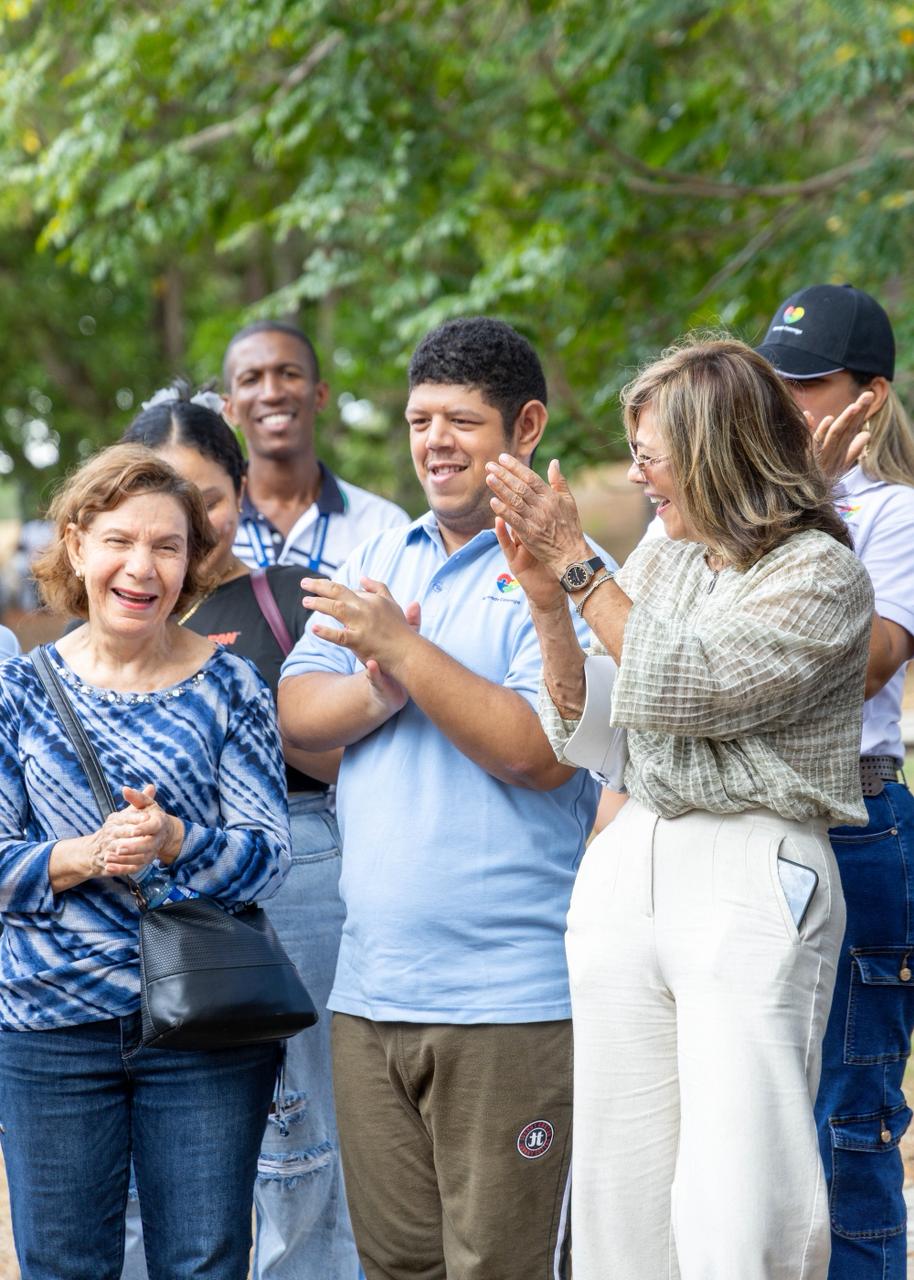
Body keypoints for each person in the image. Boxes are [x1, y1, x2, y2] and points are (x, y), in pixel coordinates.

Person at [484, 337, 874, 1279]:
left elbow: (686, 684)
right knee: (619, 1202)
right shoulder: (668, 558)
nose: (635, 475)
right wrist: (548, 601)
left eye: (650, 456)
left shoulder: (821, 574)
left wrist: (577, 559)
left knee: (742, 1204)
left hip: (750, 869)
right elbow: (601, 724)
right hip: (634, 860)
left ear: (715, 452)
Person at [278, 316, 606, 1280]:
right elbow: (298, 716)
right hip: (368, 995)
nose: (436, 443)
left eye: (462, 422)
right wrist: (378, 692)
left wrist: (400, 651)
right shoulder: (380, 561)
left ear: (526, 428)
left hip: (511, 1002)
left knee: (503, 1266)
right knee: (395, 1267)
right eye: (421, 421)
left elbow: (540, 751)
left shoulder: (575, 579)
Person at [0, 444, 291, 1279]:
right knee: (62, 1266)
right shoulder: (19, 691)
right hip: (50, 1027)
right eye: (120, 541)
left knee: (203, 1263)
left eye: (167, 546)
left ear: (191, 562)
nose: (142, 567)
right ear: (76, 544)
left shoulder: (231, 686)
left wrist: (174, 841)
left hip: (202, 1026)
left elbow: (270, 859)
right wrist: (86, 855)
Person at [121, 389, 358, 1280]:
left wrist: (251, 712)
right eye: (161, 494)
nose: (184, 521)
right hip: (141, 889)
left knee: (308, 1128)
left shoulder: (295, 599)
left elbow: (349, 757)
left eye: (209, 498)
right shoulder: (100, 624)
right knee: (152, 1127)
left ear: (243, 492)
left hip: (296, 870)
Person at [756, 284, 914, 1280]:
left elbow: (860, 663)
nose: (783, 403)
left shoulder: (892, 511)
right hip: (750, 819)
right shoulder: (741, 508)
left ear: (870, 397)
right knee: (752, 1120)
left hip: (854, 817)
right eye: (772, 380)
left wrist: (798, 509)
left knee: (847, 1117)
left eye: (807, 384)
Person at [222, 320, 409, 575]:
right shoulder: (205, 526)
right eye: (251, 379)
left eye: (289, 374)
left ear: (320, 395)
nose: (271, 393)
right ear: (230, 408)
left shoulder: (384, 526)